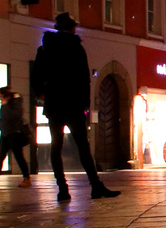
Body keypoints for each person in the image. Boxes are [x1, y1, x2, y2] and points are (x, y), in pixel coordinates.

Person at [31, 12, 121, 203]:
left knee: (56, 146)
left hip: (54, 105)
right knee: (83, 147)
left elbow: (36, 76)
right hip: (73, 105)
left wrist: (43, 93)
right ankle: (95, 185)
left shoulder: (45, 49)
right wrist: (85, 105)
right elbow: (84, 79)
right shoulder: (76, 48)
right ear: (72, 28)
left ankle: (62, 189)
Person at [0, 86, 31, 188]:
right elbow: (3, 117)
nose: (0, 99)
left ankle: (27, 178)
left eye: (1, 97)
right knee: (1, 156)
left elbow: (14, 115)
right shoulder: (6, 103)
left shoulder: (15, 101)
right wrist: (0, 125)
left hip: (14, 133)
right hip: (5, 133)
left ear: (5, 95)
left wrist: (5, 105)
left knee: (18, 156)